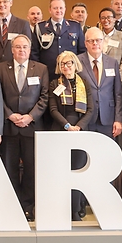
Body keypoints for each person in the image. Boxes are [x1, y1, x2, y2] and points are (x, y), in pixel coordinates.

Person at [0, 34, 48, 221]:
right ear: (12, 49)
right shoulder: (0, 69)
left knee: (31, 170)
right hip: (8, 128)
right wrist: (9, 114)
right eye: (17, 47)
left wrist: (30, 117)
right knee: (8, 168)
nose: (21, 50)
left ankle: (27, 206)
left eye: (25, 47)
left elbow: (44, 97)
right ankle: (11, 207)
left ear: (30, 48)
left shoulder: (41, 69)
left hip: (32, 128)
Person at [48, 51, 93, 221]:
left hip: (80, 133)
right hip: (60, 131)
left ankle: (75, 209)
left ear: (75, 64)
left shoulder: (85, 83)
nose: (66, 67)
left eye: (69, 63)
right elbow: (53, 109)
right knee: (60, 172)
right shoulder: (54, 84)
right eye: (62, 64)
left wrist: (78, 127)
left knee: (77, 172)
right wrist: (67, 126)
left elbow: (91, 109)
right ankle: (60, 208)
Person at [77, 27, 122, 140]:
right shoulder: (77, 62)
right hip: (85, 118)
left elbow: (118, 93)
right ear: (85, 43)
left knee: (107, 149)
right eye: (91, 41)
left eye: (98, 40)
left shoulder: (112, 62)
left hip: (108, 117)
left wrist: (118, 119)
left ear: (103, 42)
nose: (95, 43)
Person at [32, 0, 86, 77]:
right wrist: (38, 71)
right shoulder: (40, 27)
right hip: (48, 73)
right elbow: (34, 52)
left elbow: (82, 51)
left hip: (70, 73)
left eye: (61, 8)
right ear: (50, 10)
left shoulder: (75, 26)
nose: (58, 11)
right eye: (55, 8)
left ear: (65, 9)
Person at [98, 8, 122, 83]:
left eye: (109, 17)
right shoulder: (97, 36)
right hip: (99, 79)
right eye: (103, 18)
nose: (106, 20)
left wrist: (119, 79)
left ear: (114, 19)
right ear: (100, 20)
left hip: (117, 78)